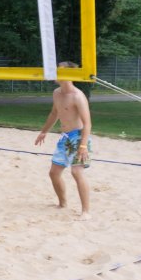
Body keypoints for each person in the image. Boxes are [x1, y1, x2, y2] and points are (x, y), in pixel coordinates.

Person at [33, 62, 94, 220]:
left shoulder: (77, 96)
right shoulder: (57, 93)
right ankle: (62, 203)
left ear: (68, 74)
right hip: (65, 137)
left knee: (76, 172)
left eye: (58, 70)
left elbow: (87, 124)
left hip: (79, 136)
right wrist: (44, 131)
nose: (55, 72)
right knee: (54, 173)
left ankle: (86, 212)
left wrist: (83, 145)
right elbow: (54, 114)